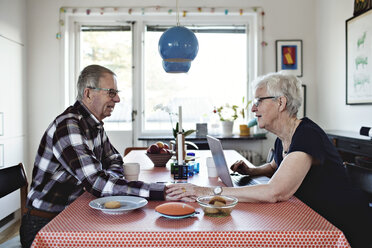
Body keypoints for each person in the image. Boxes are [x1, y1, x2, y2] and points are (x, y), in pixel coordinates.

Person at [167, 71, 372, 248]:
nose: (253, 109)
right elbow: (276, 166)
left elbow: (275, 191)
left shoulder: (308, 135)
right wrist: (251, 171)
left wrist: (203, 192)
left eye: (258, 101)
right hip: (308, 215)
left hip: (341, 226)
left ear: (281, 102)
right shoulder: (284, 137)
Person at [20, 65, 167, 248]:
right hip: (46, 224)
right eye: (111, 92)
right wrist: (161, 191)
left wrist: (107, 179)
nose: (118, 99)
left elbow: (114, 159)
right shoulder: (68, 127)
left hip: (73, 212)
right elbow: (97, 183)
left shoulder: (94, 125)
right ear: (88, 93)